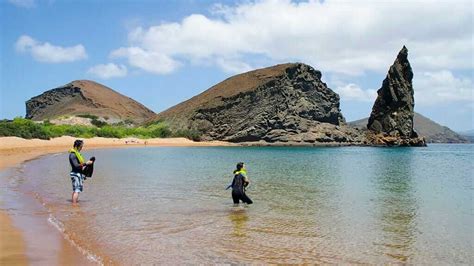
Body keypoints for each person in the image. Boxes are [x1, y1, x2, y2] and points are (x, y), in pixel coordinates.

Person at [69, 140, 93, 204]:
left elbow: (79, 166)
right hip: (75, 174)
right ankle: (74, 205)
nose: (82, 148)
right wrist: (86, 163)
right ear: (77, 146)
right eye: (81, 146)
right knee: (77, 190)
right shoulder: (72, 155)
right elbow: (76, 166)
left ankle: (74, 203)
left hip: (78, 174)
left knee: (76, 190)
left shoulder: (77, 154)